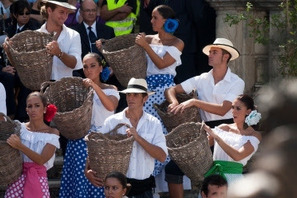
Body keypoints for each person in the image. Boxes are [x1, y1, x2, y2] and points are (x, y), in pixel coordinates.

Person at [164, 38, 245, 198]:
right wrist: (174, 101)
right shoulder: (201, 79)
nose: (210, 55)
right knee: (173, 168)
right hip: (204, 132)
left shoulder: (236, 82)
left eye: (214, 52)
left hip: (227, 134)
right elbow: (170, 90)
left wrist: (194, 102)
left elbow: (223, 110)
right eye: (210, 52)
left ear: (225, 57)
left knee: (215, 175)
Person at [86, 78, 168, 198]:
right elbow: (96, 145)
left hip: (144, 188)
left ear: (145, 98)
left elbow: (162, 156)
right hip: (117, 190)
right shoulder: (113, 121)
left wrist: (138, 138)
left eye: (135, 95)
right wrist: (87, 169)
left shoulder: (153, 123)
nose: (130, 98)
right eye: (129, 94)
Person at [135, 4, 185, 194]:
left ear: (165, 21)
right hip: (147, 92)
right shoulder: (148, 38)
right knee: (147, 132)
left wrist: (146, 45)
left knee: (163, 135)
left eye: (155, 17)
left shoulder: (177, 43)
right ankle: (147, 183)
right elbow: (128, 44)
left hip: (165, 92)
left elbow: (162, 64)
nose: (151, 21)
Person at [59, 53, 120, 197]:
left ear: (100, 68)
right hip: (80, 141)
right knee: (79, 185)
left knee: (100, 183)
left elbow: (111, 106)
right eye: (85, 67)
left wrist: (94, 86)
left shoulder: (111, 89)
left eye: (93, 66)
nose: (89, 70)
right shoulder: (79, 91)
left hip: (102, 142)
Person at [4, 91, 60, 198]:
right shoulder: (18, 127)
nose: (33, 109)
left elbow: (41, 160)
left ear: (44, 109)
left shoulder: (52, 133)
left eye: (37, 106)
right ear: (26, 110)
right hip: (16, 178)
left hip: (38, 181)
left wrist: (20, 146)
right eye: (30, 106)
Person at [203, 94, 262, 184]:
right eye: (232, 107)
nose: (233, 111)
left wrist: (216, 137)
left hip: (234, 181)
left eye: (238, 108)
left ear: (248, 111)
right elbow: (204, 147)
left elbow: (237, 156)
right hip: (213, 178)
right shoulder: (223, 128)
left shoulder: (254, 135)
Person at [38, 0, 83, 81]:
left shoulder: (74, 35)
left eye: (67, 13)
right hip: (40, 88)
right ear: (49, 11)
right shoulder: (36, 35)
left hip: (64, 89)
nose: (65, 16)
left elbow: (74, 64)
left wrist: (59, 53)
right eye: (61, 12)